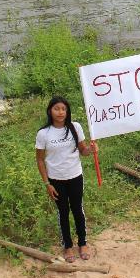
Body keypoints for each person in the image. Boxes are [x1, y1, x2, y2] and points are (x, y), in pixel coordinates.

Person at [35, 96, 97, 262]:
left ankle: (82, 243)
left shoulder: (75, 127)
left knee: (78, 209)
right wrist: (47, 183)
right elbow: (40, 160)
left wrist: (90, 150)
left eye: (63, 109)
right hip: (56, 180)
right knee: (63, 212)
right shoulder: (43, 133)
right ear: (50, 111)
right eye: (57, 109)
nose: (60, 112)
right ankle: (68, 246)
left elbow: (83, 151)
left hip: (75, 176)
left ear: (67, 111)